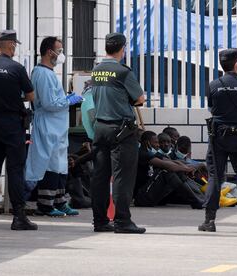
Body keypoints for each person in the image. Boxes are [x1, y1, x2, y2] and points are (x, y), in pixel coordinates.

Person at [0, 30, 37, 230]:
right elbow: (30, 96)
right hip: (12, 125)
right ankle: (19, 216)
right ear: (11, 45)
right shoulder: (17, 68)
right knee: (15, 170)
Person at [198, 48, 237, 233]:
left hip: (218, 137)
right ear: (236, 63)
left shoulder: (214, 85)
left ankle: (209, 221)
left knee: (214, 177)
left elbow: (212, 108)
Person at [90, 33, 145, 233]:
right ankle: (122, 221)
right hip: (121, 130)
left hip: (100, 128)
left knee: (100, 176)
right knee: (122, 176)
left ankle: (100, 220)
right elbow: (139, 98)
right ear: (122, 49)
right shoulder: (123, 72)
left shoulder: (96, 70)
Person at [25, 37, 81, 217]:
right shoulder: (41, 73)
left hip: (57, 126)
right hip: (48, 125)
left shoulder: (48, 73)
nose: (61, 54)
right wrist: (68, 100)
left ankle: (59, 201)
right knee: (48, 165)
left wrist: (67, 99)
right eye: (60, 50)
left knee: (59, 165)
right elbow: (49, 103)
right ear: (50, 52)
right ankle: (45, 205)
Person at [134, 131, 203, 208]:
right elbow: (165, 165)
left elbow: (173, 161)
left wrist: (188, 168)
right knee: (165, 171)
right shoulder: (142, 154)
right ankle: (195, 202)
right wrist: (187, 169)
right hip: (142, 198)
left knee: (178, 171)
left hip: (154, 195)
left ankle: (201, 198)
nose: (158, 145)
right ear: (147, 143)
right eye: (156, 142)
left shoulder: (153, 153)